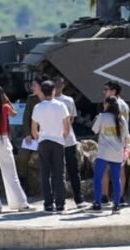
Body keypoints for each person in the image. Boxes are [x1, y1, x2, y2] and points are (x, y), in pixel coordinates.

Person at [32, 80, 71, 212]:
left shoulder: (38, 107)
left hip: (43, 141)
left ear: (42, 92)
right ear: (54, 91)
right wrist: (62, 137)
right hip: (58, 141)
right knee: (59, 174)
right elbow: (67, 127)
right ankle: (60, 203)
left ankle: (48, 203)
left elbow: (34, 129)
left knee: (44, 173)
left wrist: (39, 138)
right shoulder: (61, 106)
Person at [91, 96, 129, 213]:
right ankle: (116, 205)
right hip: (117, 153)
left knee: (98, 177)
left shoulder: (102, 117)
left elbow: (94, 130)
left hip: (103, 152)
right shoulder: (121, 119)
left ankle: (97, 204)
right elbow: (126, 137)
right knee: (116, 178)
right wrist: (124, 149)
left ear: (107, 105)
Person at [54, 77, 84, 207]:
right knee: (58, 171)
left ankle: (78, 198)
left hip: (68, 140)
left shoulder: (68, 100)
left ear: (63, 86)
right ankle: (59, 199)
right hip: (56, 139)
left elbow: (72, 118)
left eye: (59, 85)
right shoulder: (49, 101)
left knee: (73, 169)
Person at [101, 80, 129, 205]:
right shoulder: (123, 104)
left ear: (113, 91)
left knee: (112, 170)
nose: (104, 92)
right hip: (119, 143)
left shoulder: (117, 105)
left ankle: (107, 196)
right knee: (118, 170)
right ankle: (117, 196)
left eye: (106, 89)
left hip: (112, 142)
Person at [16, 77, 45, 192]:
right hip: (32, 136)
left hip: (46, 135)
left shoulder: (50, 99)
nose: (32, 88)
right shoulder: (31, 99)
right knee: (22, 156)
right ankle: (23, 183)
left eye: (34, 85)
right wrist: (27, 134)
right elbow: (26, 118)